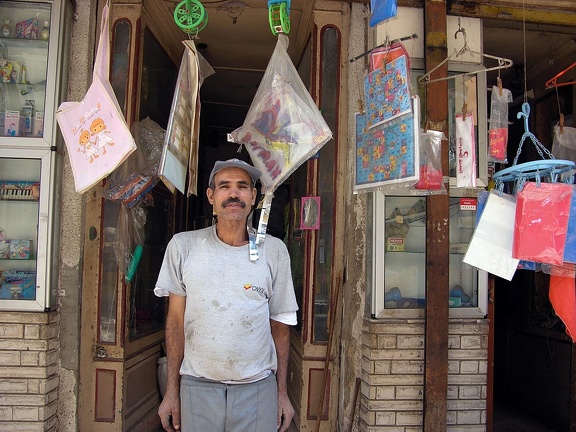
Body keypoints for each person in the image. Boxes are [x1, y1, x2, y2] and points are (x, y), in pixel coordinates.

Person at [155, 158, 298, 432]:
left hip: (257, 389)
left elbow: (280, 327)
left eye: (242, 187)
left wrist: (281, 393)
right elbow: (175, 321)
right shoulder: (183, 246)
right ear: (211, 196)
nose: (234, 194)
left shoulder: (275, 252)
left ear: (254, 196)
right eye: (225, 186)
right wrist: (172, 391)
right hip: (197, 386)